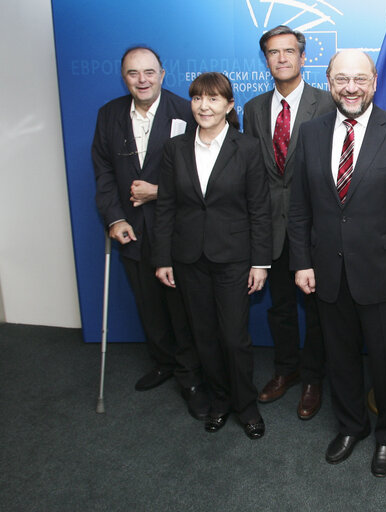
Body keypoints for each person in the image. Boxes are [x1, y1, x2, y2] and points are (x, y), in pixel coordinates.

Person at [288, 49, 386, 477]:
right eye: (342, 79)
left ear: (374, 82)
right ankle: (351, 426)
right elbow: (299, 209)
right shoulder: (311, 133)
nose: (351, 88)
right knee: (341, 359)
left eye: (360, 79)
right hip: (328, 273)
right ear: (329, 82)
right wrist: (301, 262)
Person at [153, 72, 272, 439]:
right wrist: (162, 258)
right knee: (204, 336)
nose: (204, 106)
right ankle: (220, 400)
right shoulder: (175, 149)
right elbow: (166, 209)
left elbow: (259, 210)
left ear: (229, 105)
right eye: (197, 98)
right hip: (189, 258)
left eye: (214, 99)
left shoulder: (248, 148)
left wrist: (260, 262)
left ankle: (246, 405)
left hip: (234, 258)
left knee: (234, 337)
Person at [92, 46, 207, 419]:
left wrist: (158, 191)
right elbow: (104, 172)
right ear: (123, 76)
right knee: (148, 303)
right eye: (133, 73)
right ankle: (163, 362)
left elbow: (207, 173)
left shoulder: (186, 111)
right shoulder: (109, 115)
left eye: (149, 72)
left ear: (163, 72)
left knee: (182, 307)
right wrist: (114, 218)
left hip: (177, 229)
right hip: (132, 229)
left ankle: (191, 375)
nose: (142, 80)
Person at [243, 25, 335, 420]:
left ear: (302, 57)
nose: (280, 58)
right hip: (271, 229)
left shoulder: (328, 103)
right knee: (279, 308)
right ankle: (286, 370)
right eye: (272, 52)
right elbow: (252, 174)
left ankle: (313, 377)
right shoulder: (252, 108)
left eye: (288, 51)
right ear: (266, 60)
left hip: (316, 229)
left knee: (316, 311)